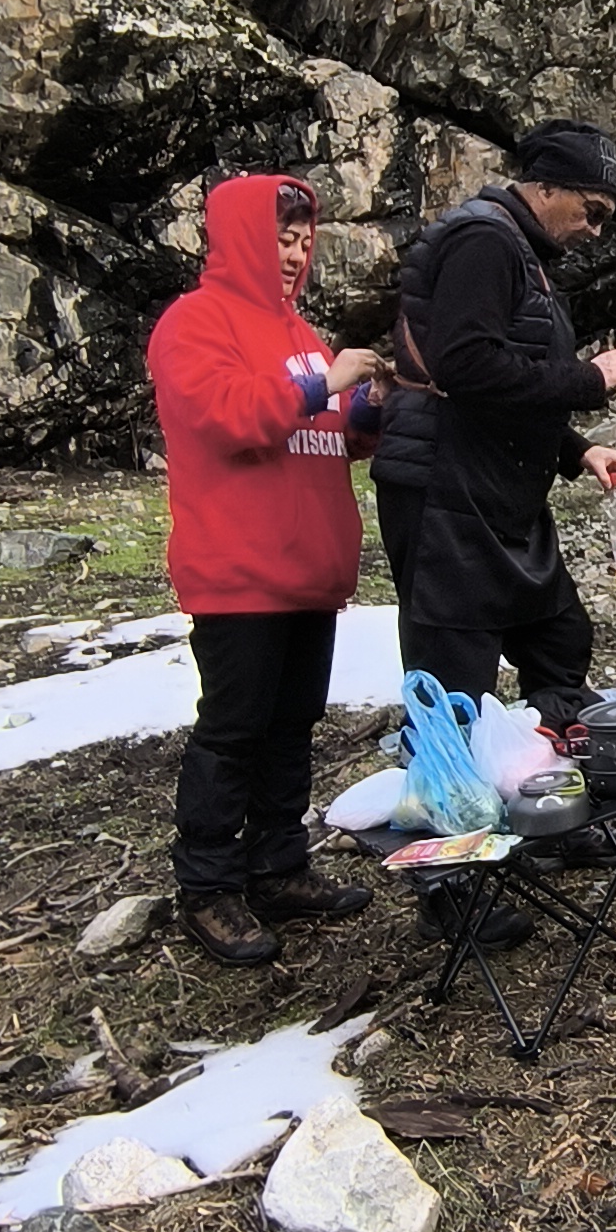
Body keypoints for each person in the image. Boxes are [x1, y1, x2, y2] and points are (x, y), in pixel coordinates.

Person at [147, 175, 387, 966]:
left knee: (291, 727)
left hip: (306, 574)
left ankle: (279, 864)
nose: (293, 253)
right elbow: (230, 416)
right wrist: (326, 380)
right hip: (239, 574)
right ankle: (209, 888)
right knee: (233, 731)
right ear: (241, 237)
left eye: (302, 238)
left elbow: (337, 432)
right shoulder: (194, 325)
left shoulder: (304, 334)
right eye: (279, 237)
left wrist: (369, 410)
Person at [374, 119, 616, 734]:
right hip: (443, 490)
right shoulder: (484, 241)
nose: (594, 230)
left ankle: (554, 791)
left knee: (558, 638)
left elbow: (501, 386)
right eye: (591, 211)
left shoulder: (519, 250)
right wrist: (592, 378)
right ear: (547, 188)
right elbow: (466, 366)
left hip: (495, 484)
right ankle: (458, 810)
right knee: (454, 674)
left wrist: (575, 448)